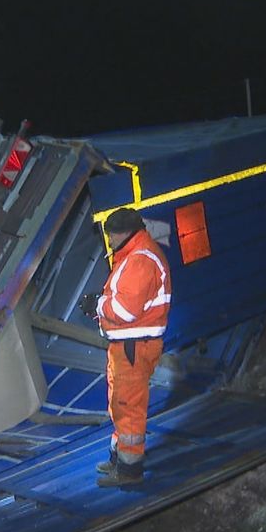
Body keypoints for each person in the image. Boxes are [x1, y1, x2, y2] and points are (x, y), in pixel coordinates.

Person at [93, 207, 171, 488]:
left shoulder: (139, 260)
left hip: (134, 348)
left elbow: (125, 310)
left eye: (112, 235)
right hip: (127, 347)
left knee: (128, 407)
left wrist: (98, 305)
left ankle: (129, 472)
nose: (109, 241)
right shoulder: (133, 254)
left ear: (125, 233)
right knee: (120, 403)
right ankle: (120, 458)